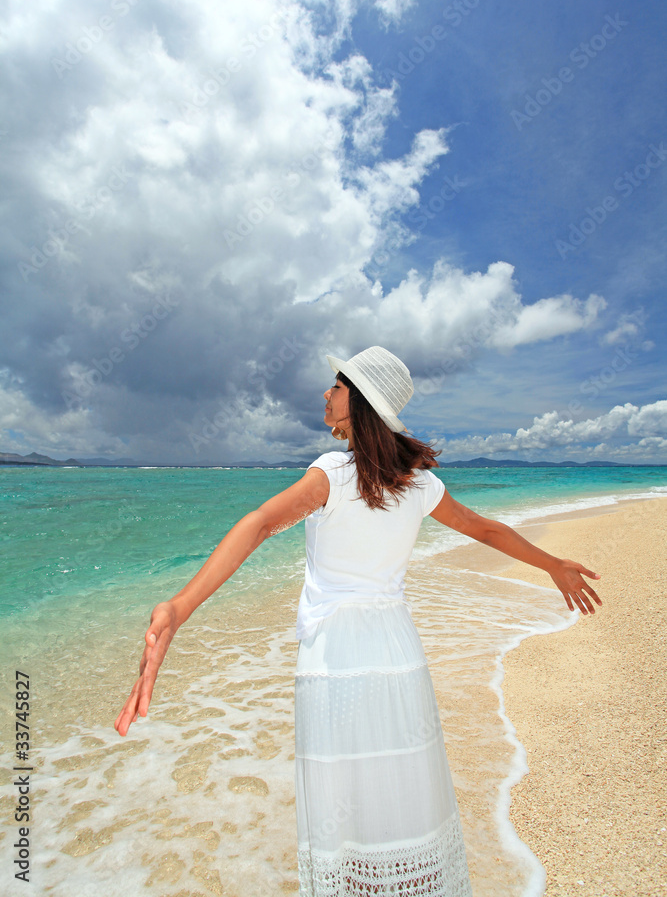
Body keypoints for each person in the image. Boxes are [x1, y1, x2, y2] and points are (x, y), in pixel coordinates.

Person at [115, 345, 602, 896]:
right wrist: (551, 564)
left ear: (361, 403)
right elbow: (484, 529)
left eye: (338, 385)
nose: (326, 393)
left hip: (334, 657)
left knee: (340, 807)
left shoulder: (331, 474)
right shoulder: (419, 484)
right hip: (397, 652)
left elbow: (259, 524)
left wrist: (180, 606)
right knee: (403, 791)